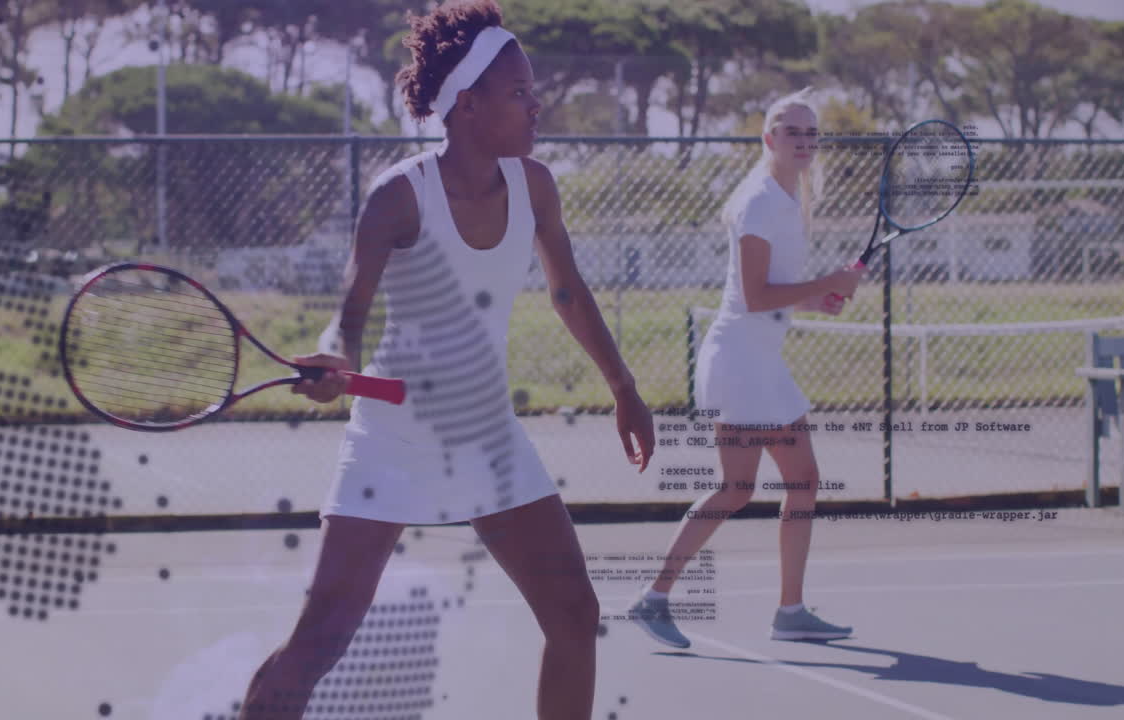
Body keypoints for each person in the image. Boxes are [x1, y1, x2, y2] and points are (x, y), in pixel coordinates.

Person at [236, 2, 655, 719]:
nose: (536, 105)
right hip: (393, 441)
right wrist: (336, 359)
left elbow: (566, 290)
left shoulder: (536, 186)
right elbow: (353, 310)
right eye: (518, 92)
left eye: (532, 90)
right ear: (468, 104)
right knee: (322, 639)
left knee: (574, 615)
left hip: (487, 436)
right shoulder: (399, 197)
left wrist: (624, 385)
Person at [626, 88, 863, 649]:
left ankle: (781, 610)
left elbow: (768, 294)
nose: (803, 141)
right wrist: (828, 281)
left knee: (759, 486)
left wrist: (816, 300)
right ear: (769, 139)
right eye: (792, 132)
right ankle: (665, 599)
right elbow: (755, 297)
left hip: (755, 362)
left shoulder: (784, 199)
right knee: (759, 485)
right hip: (740, 362)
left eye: (811, 133)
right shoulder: (759, 201)